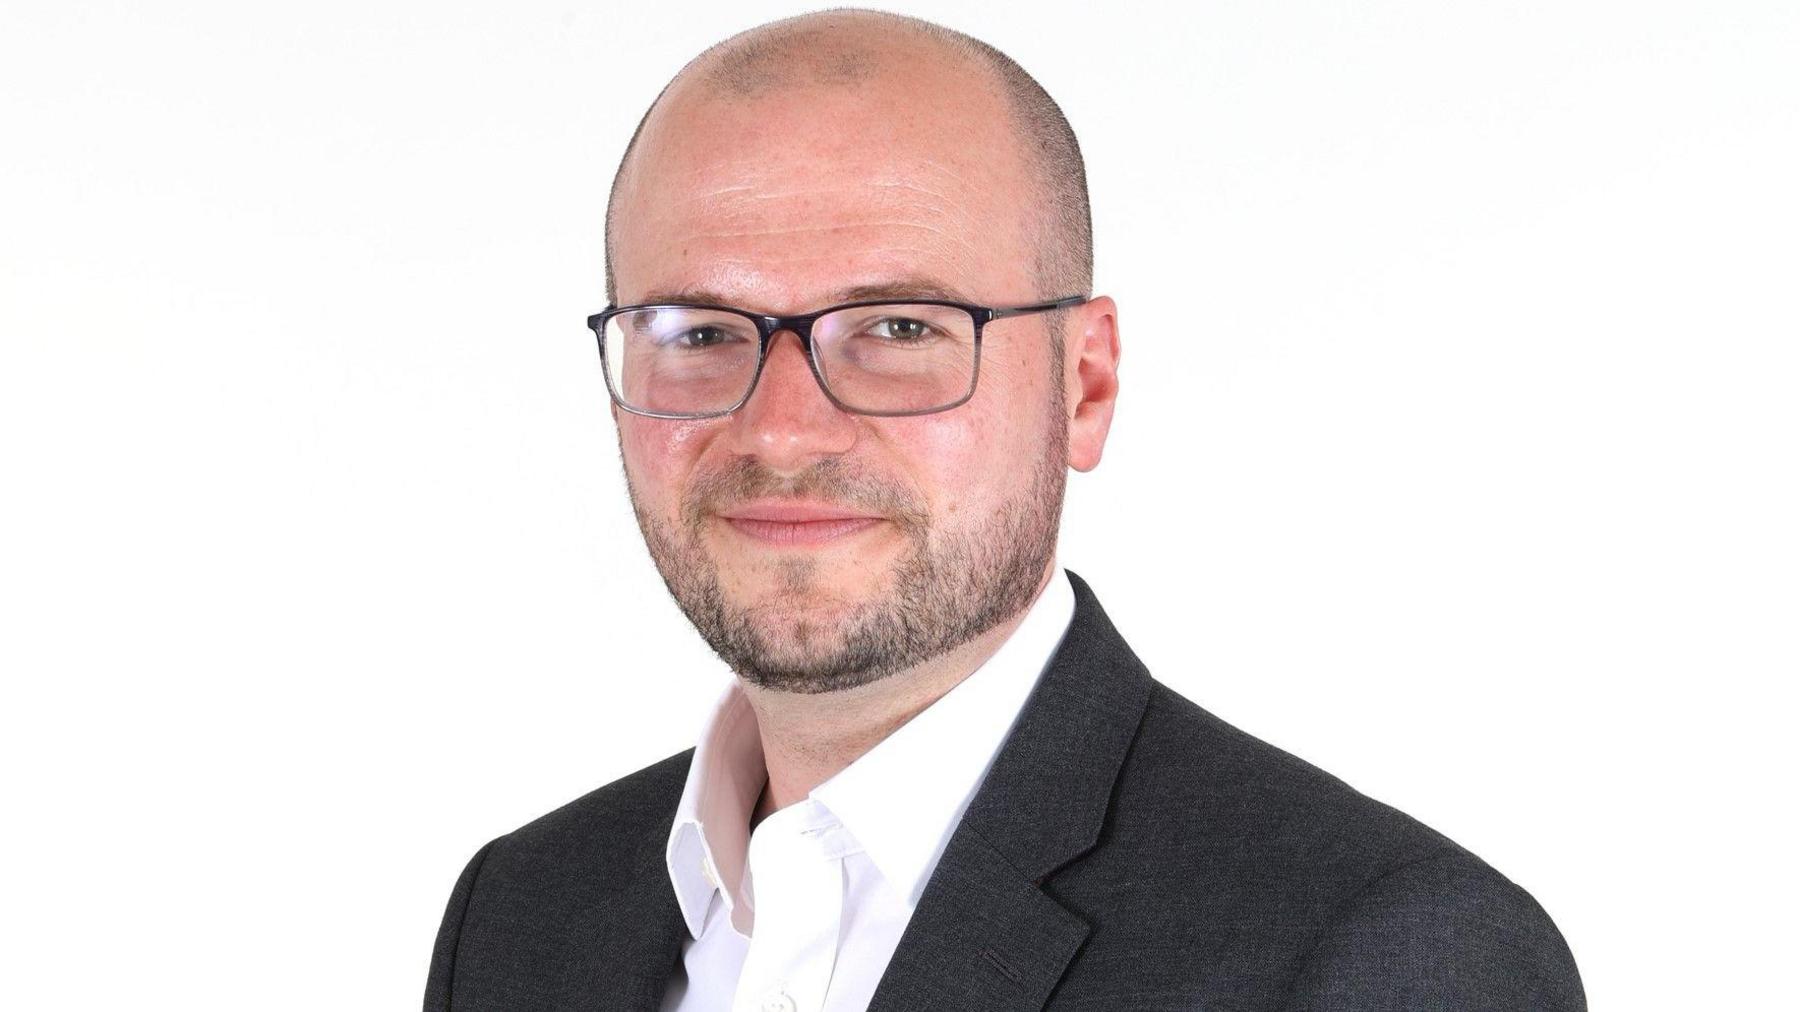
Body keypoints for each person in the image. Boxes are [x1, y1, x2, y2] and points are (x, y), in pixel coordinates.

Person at [423, 9, 1584, 1010]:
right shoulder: (522, 922)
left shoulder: (1381, 956)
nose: (780, 430)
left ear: (1085, 385)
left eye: (900, 329)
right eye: (699, 333)